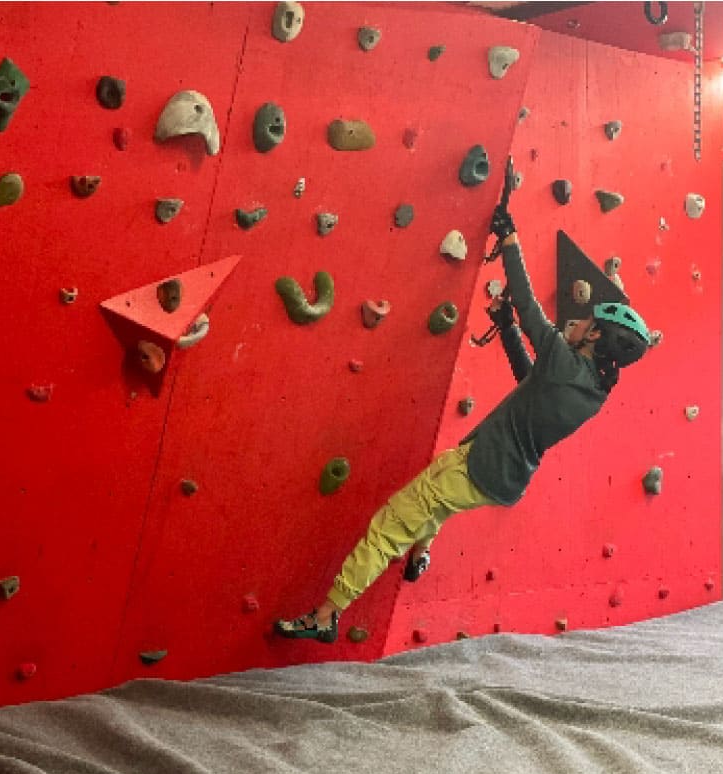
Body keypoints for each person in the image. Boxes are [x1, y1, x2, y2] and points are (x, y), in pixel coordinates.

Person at [274, 184, 651, 644]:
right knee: (439, 494)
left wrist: (508, 238)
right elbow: (528, 378)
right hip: (503, 476)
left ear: (596, 337)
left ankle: (326, 614)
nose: (576, 321)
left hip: (479, 464)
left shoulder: (568, 363)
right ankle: (420, 555)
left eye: (585, 322)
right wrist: (508, 327)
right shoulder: (591, 388)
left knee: (393, 520)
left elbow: (532, 307)